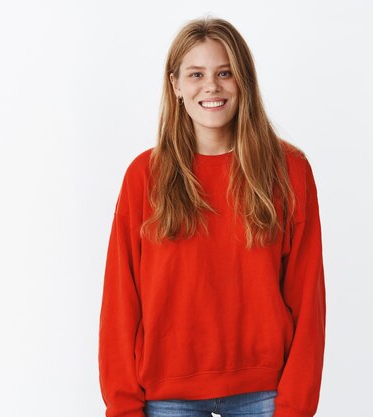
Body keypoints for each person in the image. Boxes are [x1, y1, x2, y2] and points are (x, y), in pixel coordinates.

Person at [98, 16, 326, 417]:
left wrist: (296, 406)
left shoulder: (288, 170)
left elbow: (308, 298)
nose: (212, 86)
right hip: (166, 395)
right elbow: (120, 301)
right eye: (196, 74)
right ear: (176, 86)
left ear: (244, 81)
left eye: (225, 73)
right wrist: (123, 407)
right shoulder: (144, 176)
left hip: (265, 393)